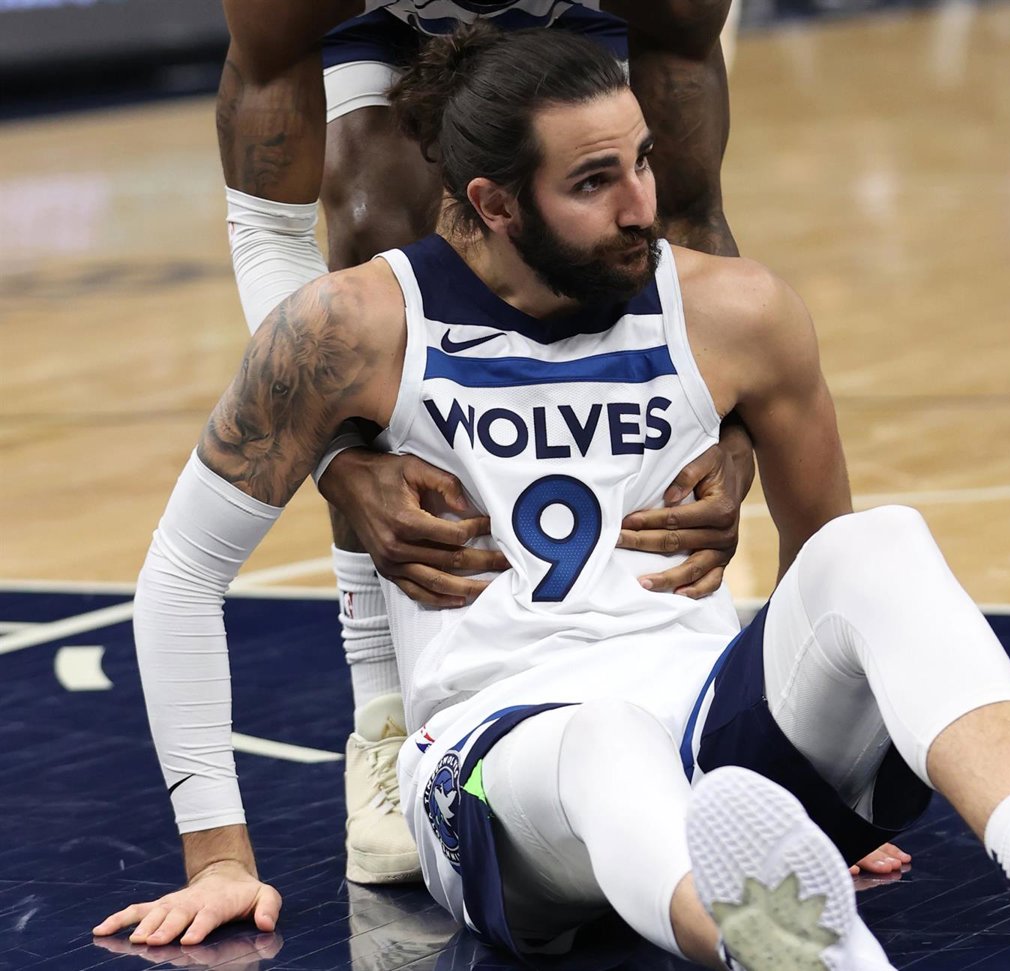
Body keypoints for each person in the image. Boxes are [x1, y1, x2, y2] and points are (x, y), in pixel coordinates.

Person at [95, 27, 1010, 969]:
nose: (640, 206)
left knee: (881, 544)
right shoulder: (352, 327)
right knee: (606, 740)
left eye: (643, 163)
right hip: (498, 762)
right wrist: (219, 855)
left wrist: (837, 781)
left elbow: (827, 578)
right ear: (492, 203)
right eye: (593, 182)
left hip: (717, 728)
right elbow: (181, 575)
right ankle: (790, 940)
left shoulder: (737, 310)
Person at [216, 0, 751, 886]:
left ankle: (679, 680)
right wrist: (338, 457)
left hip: (582, 27)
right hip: (361, 41)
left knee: (604, 219)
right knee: (372, 215)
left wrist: (731, 431)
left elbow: (688, 209)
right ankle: (385, 718)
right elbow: (270, 228)